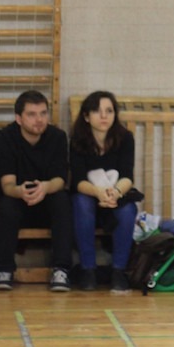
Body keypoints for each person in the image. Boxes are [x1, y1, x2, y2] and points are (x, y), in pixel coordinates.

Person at [0, 89, 73, 292]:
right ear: (19, 118)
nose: (39, 120)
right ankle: (4, 269)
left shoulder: (57, 137)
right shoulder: (4, 137)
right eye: (32, 114)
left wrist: (45, 187)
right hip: (17, 198)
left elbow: (60, 180)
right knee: (6, 205)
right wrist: (21, 192)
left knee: (62, 200)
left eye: (43, 113)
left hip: (47, 199)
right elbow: (7, 185)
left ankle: (61, 269)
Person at [68, 90, 138, 292]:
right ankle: (88, 270)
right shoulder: (78, 140)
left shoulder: (125, 138)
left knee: (128, 210)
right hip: (89, 193)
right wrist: (98, 193)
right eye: (97, 111)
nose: (104, 116)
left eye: (109, 111)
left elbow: (127, 176)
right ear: (86, 116)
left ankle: (119, 271)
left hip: (115, 192)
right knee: (81, 203)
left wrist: (116, 192)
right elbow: (78, 180)